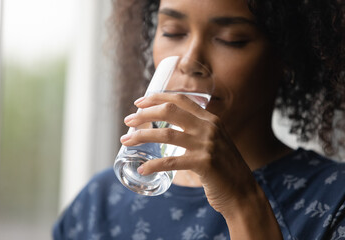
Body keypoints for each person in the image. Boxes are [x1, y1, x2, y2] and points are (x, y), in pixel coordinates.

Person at [53, 0, 345, 239]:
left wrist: (243, 202)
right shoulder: (100, 202)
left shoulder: (335, 201)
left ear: (286, 57)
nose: (190, 60)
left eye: (232, 40)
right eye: (173, 32)